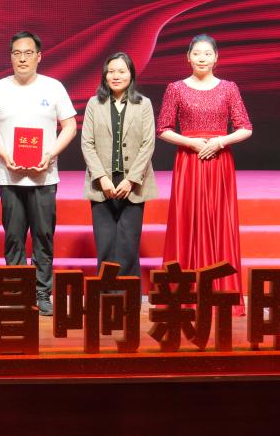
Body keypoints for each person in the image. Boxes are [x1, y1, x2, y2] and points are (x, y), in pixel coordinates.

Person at [0, 31, 77, 316]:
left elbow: (70, 125)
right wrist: (3, 154)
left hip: (45, 176)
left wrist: (51, 154)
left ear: (39, 57)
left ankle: (43, 293)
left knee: (44, 236)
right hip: (10, 177)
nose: (22, 58)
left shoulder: (53, 87)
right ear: (10, 57)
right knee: (14, 236)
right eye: (17, 53)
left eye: (28, 53)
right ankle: (17, 290)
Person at [157, 33, 252, 313]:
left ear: (216, 58)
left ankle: (221, 293)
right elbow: (163, 128)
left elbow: (245, 127)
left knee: (219, 220)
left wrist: (220, 142)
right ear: (188, 57)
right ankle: (184, 293)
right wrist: (191, 143)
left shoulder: (229, 88)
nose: (202, 58)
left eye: (207, 54)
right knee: (187, 220)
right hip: (189, 160)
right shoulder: (175, 88)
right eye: (196, 53)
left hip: (219, 161)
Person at [80, 52, 157, 280]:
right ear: (104, 75)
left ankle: (127, 294)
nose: (116, 76)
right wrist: (101, 178)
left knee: (128, 244)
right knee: (105, 243)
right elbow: (87, 143)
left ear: (131, 74)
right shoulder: (94, 103)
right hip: (102, 183)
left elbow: (148, 144)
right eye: (111, 71)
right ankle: (104, 293)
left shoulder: (143, 104)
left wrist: (131, 180)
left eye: (121, 71)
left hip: (133, 183)